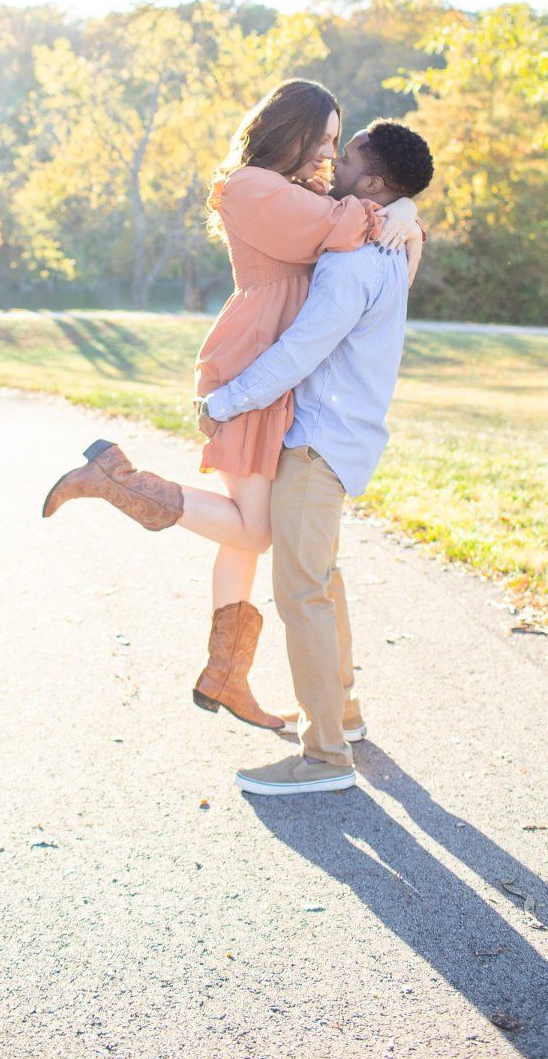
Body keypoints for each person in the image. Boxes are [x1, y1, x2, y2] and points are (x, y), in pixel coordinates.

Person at [41, 80, 425, 728]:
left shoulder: (298, 190)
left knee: (244, 534)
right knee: (256, 528)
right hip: (254, 360)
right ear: (293, 131)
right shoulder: (249, 187)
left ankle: (225, 676)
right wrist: (398, 210)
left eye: (340, 142)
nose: (331, 154)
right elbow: (343, 224)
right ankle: (117, 481)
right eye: (325, 138)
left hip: (276, 365)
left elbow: (366, 237)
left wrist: (406, 216)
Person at [197, 119, 434, 795]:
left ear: (376, 183)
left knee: (300, 592)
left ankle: (324, 757)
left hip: (317, 441)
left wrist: (224, 402)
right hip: (345, 436)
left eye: (350, 151)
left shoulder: (353, 259)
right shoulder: (386, 244)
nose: (337, 159)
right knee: (321, 581)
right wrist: (406, 215)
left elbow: (303, 349)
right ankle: (345, 718)